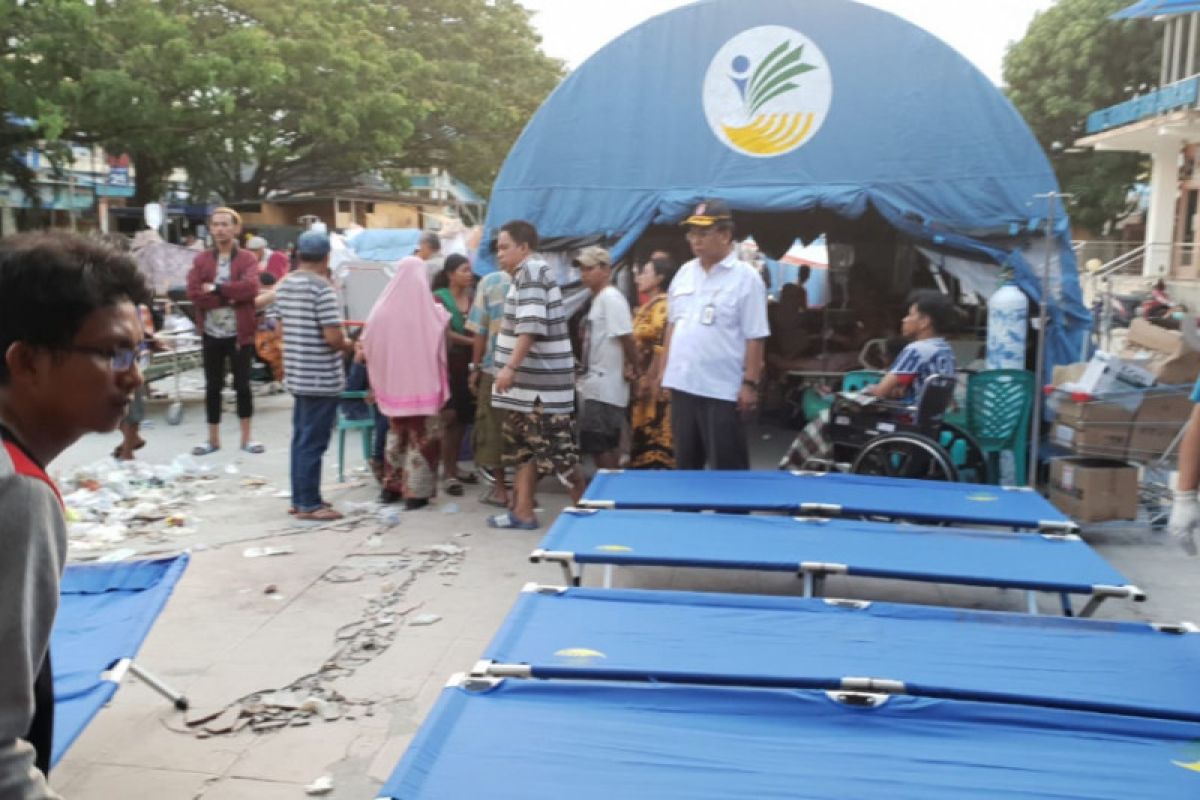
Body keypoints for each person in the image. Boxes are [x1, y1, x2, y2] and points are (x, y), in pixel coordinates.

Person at [0, 232, 151, 796]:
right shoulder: (16, 492)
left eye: (138, 352)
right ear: (28, 361)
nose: (133, 375)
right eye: (112, 353)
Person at [779, 289, 958, 469]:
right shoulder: (945, 351)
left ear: (924, 322)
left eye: (910, 315)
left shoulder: (917, 350)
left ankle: (795, 466)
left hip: (904, 420)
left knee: (828, 418)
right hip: (927, 421)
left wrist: (866, 391)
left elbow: (881, 391)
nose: (904, 320)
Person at [654, 199, 769, 470]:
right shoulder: (684, 273)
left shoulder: (746, 278)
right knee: (686, 466)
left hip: (722, 389)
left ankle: (730, 514)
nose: (696, 240)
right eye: (692, 233)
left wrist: (750, 384)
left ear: (726, 235)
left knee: (727, 471)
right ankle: (687, 513)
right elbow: (673, 325)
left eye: (704, 233)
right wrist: (663, 371)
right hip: (683, 384)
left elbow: (756, 335)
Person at [488, 220, 585, 529]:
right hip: (526, 390)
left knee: (559, 454)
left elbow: (530, 326)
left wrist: (510, 367)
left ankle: (589, 516)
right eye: (497, 248)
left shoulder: (531, 272)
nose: (499, 255)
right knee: (524, 451)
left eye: (505, 248)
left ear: (524, 248)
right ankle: (523, 511)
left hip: (539, 390)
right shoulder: (527, 275)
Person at [273, 231, 353, 521]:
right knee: (314, 442)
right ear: (327, 257)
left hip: (297, 373)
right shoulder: (323, 289)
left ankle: (300, 498)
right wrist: (350, 345)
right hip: (321, 376)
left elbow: (280, 330)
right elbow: (332, 337)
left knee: (301, 439)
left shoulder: (284, 286)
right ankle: (309, 503)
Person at [363, 256, 450, 510]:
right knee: (423, 439)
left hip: (393, 388)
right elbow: (442, 332)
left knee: (396, 437)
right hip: (424, 388)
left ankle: (391, 487)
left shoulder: (381, 309)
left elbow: (368, 344)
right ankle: (416, 493)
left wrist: (378, 380)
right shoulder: (429, 309)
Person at [185, 207, 264, 455]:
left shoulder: (247, 259)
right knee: (212, 387)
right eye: (216, 224)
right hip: (211, 333)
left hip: (240, 332)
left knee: (243, 386)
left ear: (236, 228)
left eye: (225, 224)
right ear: (210, 229)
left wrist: (217, 289)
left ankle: (246, 438)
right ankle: (212, 439)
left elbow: (250, 288)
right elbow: (195, 293)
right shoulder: (201, 260)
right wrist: (230, 296)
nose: (220, 229)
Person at [575, 246, 638, 470]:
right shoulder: (599, 299)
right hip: (597, 383)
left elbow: (627, 338)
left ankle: (610, 493)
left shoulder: (611, 298)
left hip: (606, 386)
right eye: (582, 269)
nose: (584, 274)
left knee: (602, 444)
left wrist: (635, 367)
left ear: (605, 269)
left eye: (589, 269)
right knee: (599, 443)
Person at [466, 251, 515, 508]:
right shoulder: (539, 281)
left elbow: (480, 331)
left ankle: (500, 491)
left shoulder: (490, 282)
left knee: (492, 430)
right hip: (528, 372)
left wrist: (474, 368)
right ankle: (523, 493)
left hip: (495, 368)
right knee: (524, 432)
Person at [433, 254, 479, 495]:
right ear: (451, 274)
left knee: (463, 419)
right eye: (463, 270)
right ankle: (448, 471)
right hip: (447, 364)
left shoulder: (472, 300)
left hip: (468, 365)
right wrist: (475, 341)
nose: (469, 274)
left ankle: (454, 467)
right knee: (450, 419)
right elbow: (445, 333)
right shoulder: (440, 298)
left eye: (469, 270)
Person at [630, 255, 676, 469]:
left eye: (645, 272)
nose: (639, 277)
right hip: (641, 378)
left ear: (660, 278)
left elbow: (661, 344)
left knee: (656, 429)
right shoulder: (649, 306)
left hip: (652, 380)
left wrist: (652, 377)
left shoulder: (664, 306)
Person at [113, 303, 157, 460]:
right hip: (120, 361)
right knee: (123, 408)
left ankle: (128, 449)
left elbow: (145, 335)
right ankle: (130, 444)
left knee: (129, 407)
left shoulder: (136, 308)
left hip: (128, 359)